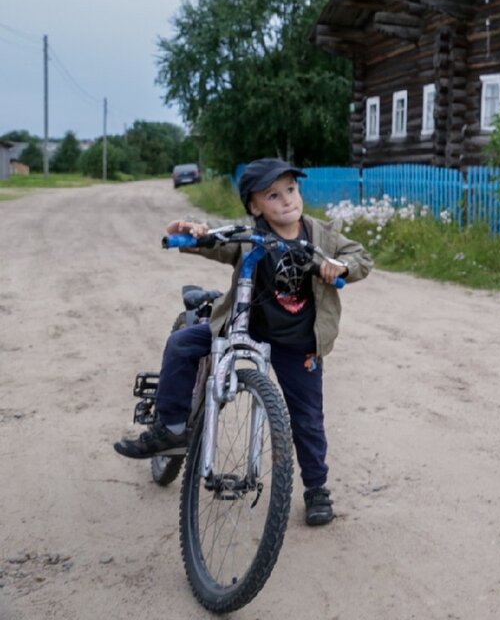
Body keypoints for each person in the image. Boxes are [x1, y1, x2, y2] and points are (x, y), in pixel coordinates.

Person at [114, 158, 373, 526]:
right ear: (255, 206)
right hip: (246, 326)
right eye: (273, 195)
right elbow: (213, 239)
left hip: (299, 343)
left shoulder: (322, 236)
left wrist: (339, 266)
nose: (287, 201)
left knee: (308, 419)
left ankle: (316, 490)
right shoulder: (249, 234)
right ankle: (170, 427)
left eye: (291, 190)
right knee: (182, 344)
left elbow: (360, 257)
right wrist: (193, 233)